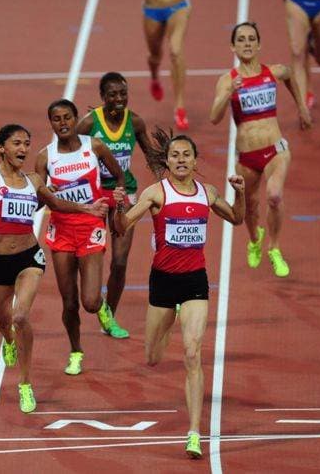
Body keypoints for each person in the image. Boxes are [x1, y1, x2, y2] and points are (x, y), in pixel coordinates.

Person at [0, 124, 109, 413]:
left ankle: (25, 384)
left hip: (29, 258)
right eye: (17, 143)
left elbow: (56, 203)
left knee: (20, 316)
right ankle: (8, 339)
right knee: (3, 321)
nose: (23, 149)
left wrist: (87, 209)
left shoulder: (34, 180)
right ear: (1, 147)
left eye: (26, 143)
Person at [112, 128, 245, 459]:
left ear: (195, 161)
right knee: (153, 357)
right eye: (175, 155)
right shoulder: (156, 193)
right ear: (167, 162)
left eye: (187, 155)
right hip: (163, 282)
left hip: (195, 282)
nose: (181, 160)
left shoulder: (207, 193)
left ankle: (194, 433)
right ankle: (170, 321)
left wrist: (240, 194)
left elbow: (237, 219)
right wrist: (118, 207)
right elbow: (122, 226)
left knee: (192, 353)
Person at [209, 22, 312, 277]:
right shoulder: (227, 81)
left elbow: (290, 74)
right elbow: (214, 117)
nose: (246, 43)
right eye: (241, 39)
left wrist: (301, 107)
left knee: (274, 196)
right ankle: (255, 239)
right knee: (250, 207)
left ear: (259, 44)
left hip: (275, 150)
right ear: (233, 47)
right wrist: (228, 93)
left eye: (251, 39)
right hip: (246, 156)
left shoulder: (272, 72)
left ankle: (274, 248)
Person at [35, 99, 125, 376]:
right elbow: (37, 201)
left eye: (67, 117)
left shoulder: (94, 146)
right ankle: (76, 351)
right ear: (51, 123)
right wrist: (42, 195)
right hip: (61, 231)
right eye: (56, 119)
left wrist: (118, 199)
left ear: (76, 119)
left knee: (89, 302)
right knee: (70, 302)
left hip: (90, 227)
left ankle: (102, 307)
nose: (62, 123)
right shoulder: (45, 157)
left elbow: (119, 176)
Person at [77, 72, 160, 339]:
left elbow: (151, 156)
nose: (119, 99)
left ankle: (108, 316)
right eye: (113, 94)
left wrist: (167, 181)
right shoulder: (88, 124)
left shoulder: (135, 122)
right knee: (92, 257)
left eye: (123, 93)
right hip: (95, 197)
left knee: (121, 262)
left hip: (125, 193)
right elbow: (66, 152)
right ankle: (95, 299)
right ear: (103, 97)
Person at [143, 0, 194, 130]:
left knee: (176, 51)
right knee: (154, 55)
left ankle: (180, 107)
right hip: (152, 7)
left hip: (178, 4)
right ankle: (154, 78)